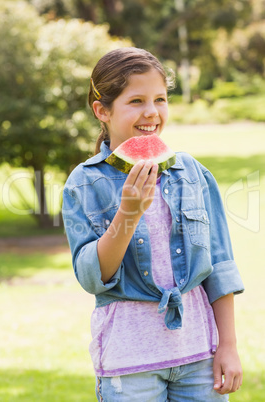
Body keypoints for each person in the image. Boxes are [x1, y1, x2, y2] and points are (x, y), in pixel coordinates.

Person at [62, 47, 245, 401]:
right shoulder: (83, 183)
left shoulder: (191, 173)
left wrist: (229, 345)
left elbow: (219, 264)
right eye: (136, 101)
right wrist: (128, 213)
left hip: (198, 357)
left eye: (160, 99)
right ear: (102, 110)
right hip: (129, 363)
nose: (152, 112)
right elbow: (91, 277)